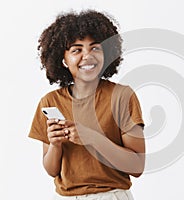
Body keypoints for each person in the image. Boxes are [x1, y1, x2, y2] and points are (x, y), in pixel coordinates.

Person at [28, 9, 145, 200]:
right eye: (76, 50)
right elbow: (51, 170)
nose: (87, 56)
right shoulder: (50, 102)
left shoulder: (122, 97)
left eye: (95, 48)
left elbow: (137, 166)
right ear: (63, 59)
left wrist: (91, 137)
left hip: (112, 195)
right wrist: (55, 145)